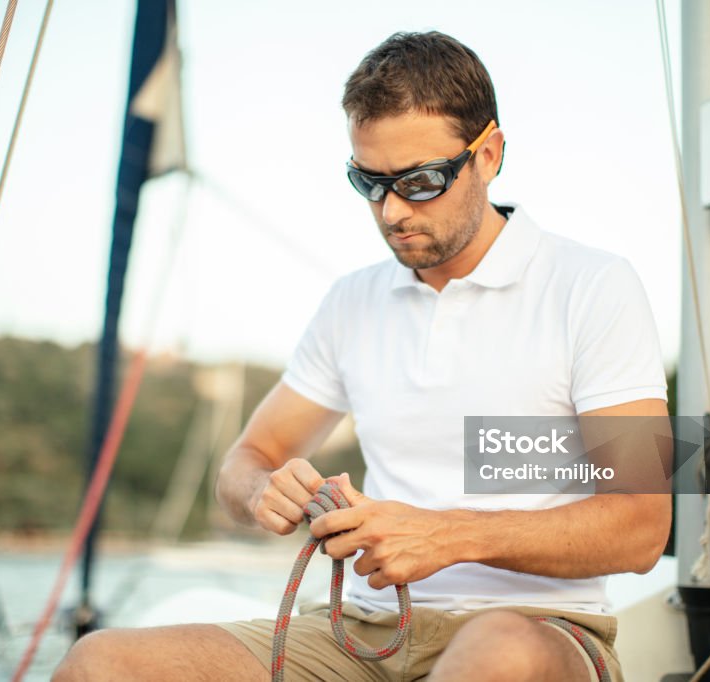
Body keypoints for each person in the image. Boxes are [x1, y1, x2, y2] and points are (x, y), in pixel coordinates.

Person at [53, 30, 671, 682]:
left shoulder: (591, 286)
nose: (391, 210)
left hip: (537, 632)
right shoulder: (353, 302)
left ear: (489, 154)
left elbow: (639, 527)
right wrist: (264, 489)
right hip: (360, 632)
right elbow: (243, 464)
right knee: (100, 664)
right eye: (368, 181)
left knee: (495, 658)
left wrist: (446, 536)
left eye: (422, 180)